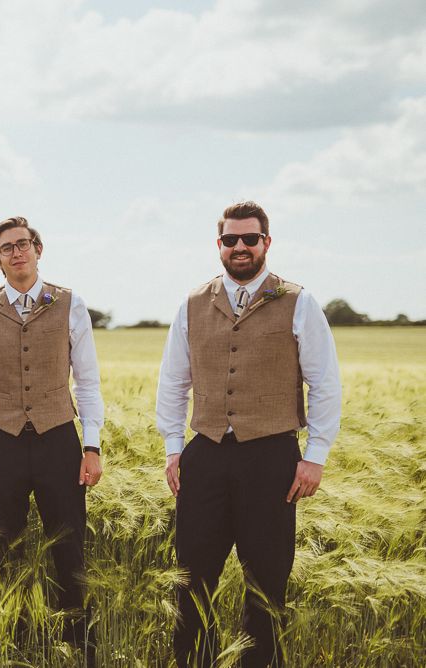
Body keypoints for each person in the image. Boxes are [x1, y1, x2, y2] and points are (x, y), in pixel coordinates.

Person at [156, 201, 341, 667]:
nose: (240, 247)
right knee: (192, 580)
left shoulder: (299, 301)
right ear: (219, 245)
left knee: (266, 584)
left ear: (266, 243)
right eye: (230, 240)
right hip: (206, 456)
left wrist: (315, 455)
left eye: (250, 239)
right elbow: (174, 381)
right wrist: (174, 449)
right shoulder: (193, 303)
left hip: (272, 458)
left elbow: (324, 383)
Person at [0, 216, 103, 664]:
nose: (17, 252)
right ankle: (16, 645)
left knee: (69, 547)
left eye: (24, 244)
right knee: (7, 550)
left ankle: (79, 647)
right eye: (7, 248)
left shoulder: (69, 302)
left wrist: (92, 445)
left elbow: (88, 379)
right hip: (0, 443)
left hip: (59, 439)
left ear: (38, 249)